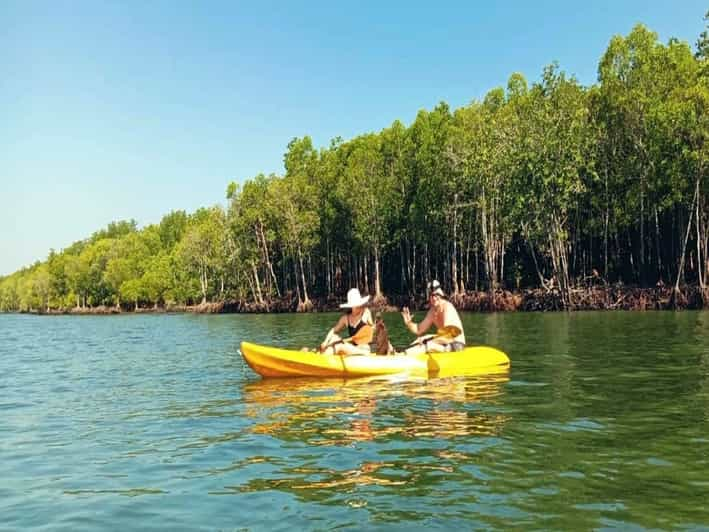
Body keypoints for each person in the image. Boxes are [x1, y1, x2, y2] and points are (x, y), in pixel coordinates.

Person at [401, 280, 466, 354]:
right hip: (445, 341)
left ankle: (406, 355)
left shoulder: (447, 308)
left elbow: (448, 337)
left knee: (429, 345)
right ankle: (404, 353)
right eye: (432, 295)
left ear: (441, 295)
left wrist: (428, 342)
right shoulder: (432, 311)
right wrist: (408, 323)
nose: (434, 298)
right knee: (422, 338)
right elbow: (419, 329)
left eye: (436, 295)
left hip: (457, 345)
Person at [318, 288, 374, 355]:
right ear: (351, 306)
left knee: (340, 346)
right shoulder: (345, 318)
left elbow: (372, 329)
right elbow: (333, 330)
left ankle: (323, 357)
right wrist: (325, 342)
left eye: (359, 304)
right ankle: (322, 354)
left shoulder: (366, 312)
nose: (360, 306)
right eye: (356, 304)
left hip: (363, 350)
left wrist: (374, 329)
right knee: (334, 338)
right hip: (352, 347)